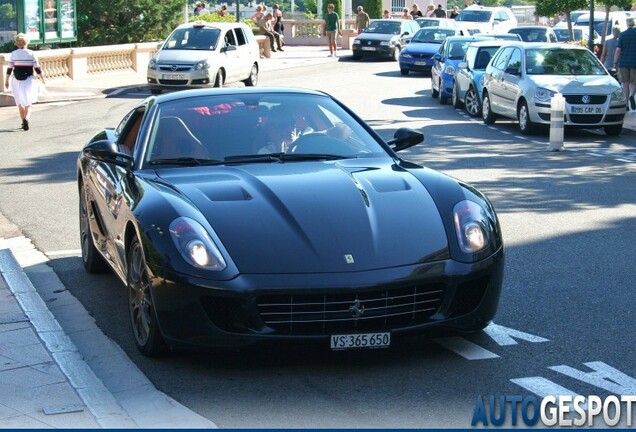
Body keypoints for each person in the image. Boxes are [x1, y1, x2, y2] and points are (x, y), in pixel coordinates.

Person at [3, 33, 45, 131]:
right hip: (28, 80)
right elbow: (37, 68)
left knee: (19, 102)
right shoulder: (31, 53)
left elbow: (9, 69)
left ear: (17, 43)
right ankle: (26, 118)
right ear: (27, 42)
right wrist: (42, 78)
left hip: (16, 80)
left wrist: (6, 81)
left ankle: (23, 121)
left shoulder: (13, 54)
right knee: (28, 102)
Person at [614, 18, 636, 110]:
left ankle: (626, 103)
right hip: (634, 62)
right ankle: (632, 95)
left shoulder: (622, 35)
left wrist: (615, 62)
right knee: (634, 82)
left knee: (625, 83)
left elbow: (618, 50)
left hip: (623, 62)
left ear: (627, 24)